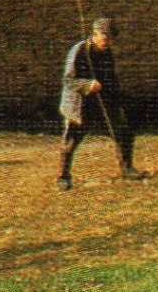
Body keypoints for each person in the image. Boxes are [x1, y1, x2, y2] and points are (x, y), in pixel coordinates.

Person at [57, 17, 143, 190]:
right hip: (79, 103)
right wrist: (88, 84)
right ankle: (63, 177)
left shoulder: (107, 51)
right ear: (94, 35)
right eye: (105, 39)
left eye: (111, 39)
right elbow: (68, 80)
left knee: (123, 132)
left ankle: (127, 169)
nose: (108, 42)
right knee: (72, 140)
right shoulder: (79, 51)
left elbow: (110, 77)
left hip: (102, 100)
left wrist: (118, 97)